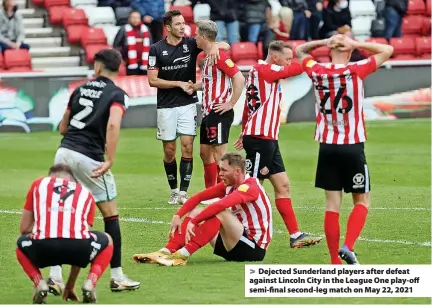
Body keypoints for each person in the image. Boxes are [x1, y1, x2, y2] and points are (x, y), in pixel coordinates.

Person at [48, 48, 140, 294]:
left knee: (60, 215)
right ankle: (117, 276)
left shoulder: (78, 89)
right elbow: (112, 123)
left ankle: (55, 276)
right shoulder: (117, 94)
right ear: (118, 68)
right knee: (110, 215)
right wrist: (109, 158)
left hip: (63, 153)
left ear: (98, 67)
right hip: (89, 158)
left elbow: (63, 126)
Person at [295, 34, 393, 264]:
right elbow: (387, 50)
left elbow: (300, 51)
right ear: (348, 52)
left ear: (330, 50)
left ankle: (333, 260)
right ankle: (348, 246)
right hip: (351, 145)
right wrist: (357, 44)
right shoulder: (357, 69)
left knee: (332, 203)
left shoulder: (317, 70)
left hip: (327, 146)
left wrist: (323, 42)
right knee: (362, 200)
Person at [233, 40, 322, 249]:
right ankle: (234, 228)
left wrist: (244, 129)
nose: (289, 62)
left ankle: (295, 235)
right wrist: (309, 58)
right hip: (260, 138)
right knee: (251, 187)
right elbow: (297, 70)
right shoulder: (266, 69)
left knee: (282, 185)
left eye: (291, 58)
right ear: (275, 57)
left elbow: (250, 105)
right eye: (287, 58)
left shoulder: (258, 71)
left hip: (266, 137)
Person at [147, 10, 230, 205]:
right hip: (166, 106)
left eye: (183, 23)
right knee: (169, 151)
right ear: (168, 28)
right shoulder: (156, 49)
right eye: (178, 24)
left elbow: (224, 44)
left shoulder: (191, 44)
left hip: (188, 104)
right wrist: (178, 84)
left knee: (188, 146)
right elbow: (152, 80)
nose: (183, 27)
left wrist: (218, 47)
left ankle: (183, 193)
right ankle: (174, 190)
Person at [132, 152, 272, 266]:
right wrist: (178, 215)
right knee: (196, 211)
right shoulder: (230, 185)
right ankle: (166, 251)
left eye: (224, 170)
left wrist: (195, 221)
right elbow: (199, 197)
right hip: (234, 244)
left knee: (220, 212)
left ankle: (183, 255)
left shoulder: (250, 187)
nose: (220, 174)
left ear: (237, 171)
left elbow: (220, 205)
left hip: (253, 249)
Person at [16, 164, 113, 304]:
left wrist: (46, 226)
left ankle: (39, 283)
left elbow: (24, 229)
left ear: (50, 177)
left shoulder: (39, 184)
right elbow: (82, 234)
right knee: (107, 240)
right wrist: (70, 285)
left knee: (20, 244)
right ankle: (90, 282)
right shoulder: (85, 193)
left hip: (43, 248)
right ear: (72, 180)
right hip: (78, 249)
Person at [192, 20, 245, 198]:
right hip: (208, 112)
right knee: (205, 153)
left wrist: (231, 103)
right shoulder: (208, 57)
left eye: (197, 34)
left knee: (220, 154)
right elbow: (210, 82)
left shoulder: (219, 56)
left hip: (219, 111)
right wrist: (194, 86)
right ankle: (211, 193)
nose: (195, 37)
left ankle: (227, 193)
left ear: (204, 36)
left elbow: (239, 78)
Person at [113, 10, 152, 76]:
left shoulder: (145, 29)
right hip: (129, 62)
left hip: (144, 62)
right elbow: (116, 45)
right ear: (129, 18)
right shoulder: (123, 29)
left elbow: (151, 44)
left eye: (137, 18)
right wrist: (120, 58)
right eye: (133, 18)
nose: (135, 20)